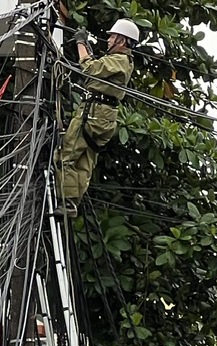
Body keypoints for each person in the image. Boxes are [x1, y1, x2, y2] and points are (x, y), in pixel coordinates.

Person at [57, 16, 141, 217]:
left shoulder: (120, 60)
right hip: (104, 117)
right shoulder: (121, 62)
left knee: (65, 156)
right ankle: (72, 203)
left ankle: (66, 200)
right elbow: (98, 67)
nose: (109, 40)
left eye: (112, 37)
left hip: (93, 113)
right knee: (84, 161)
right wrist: (86, 45)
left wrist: (79, 43)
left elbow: (90, 68)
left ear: (121, 40)